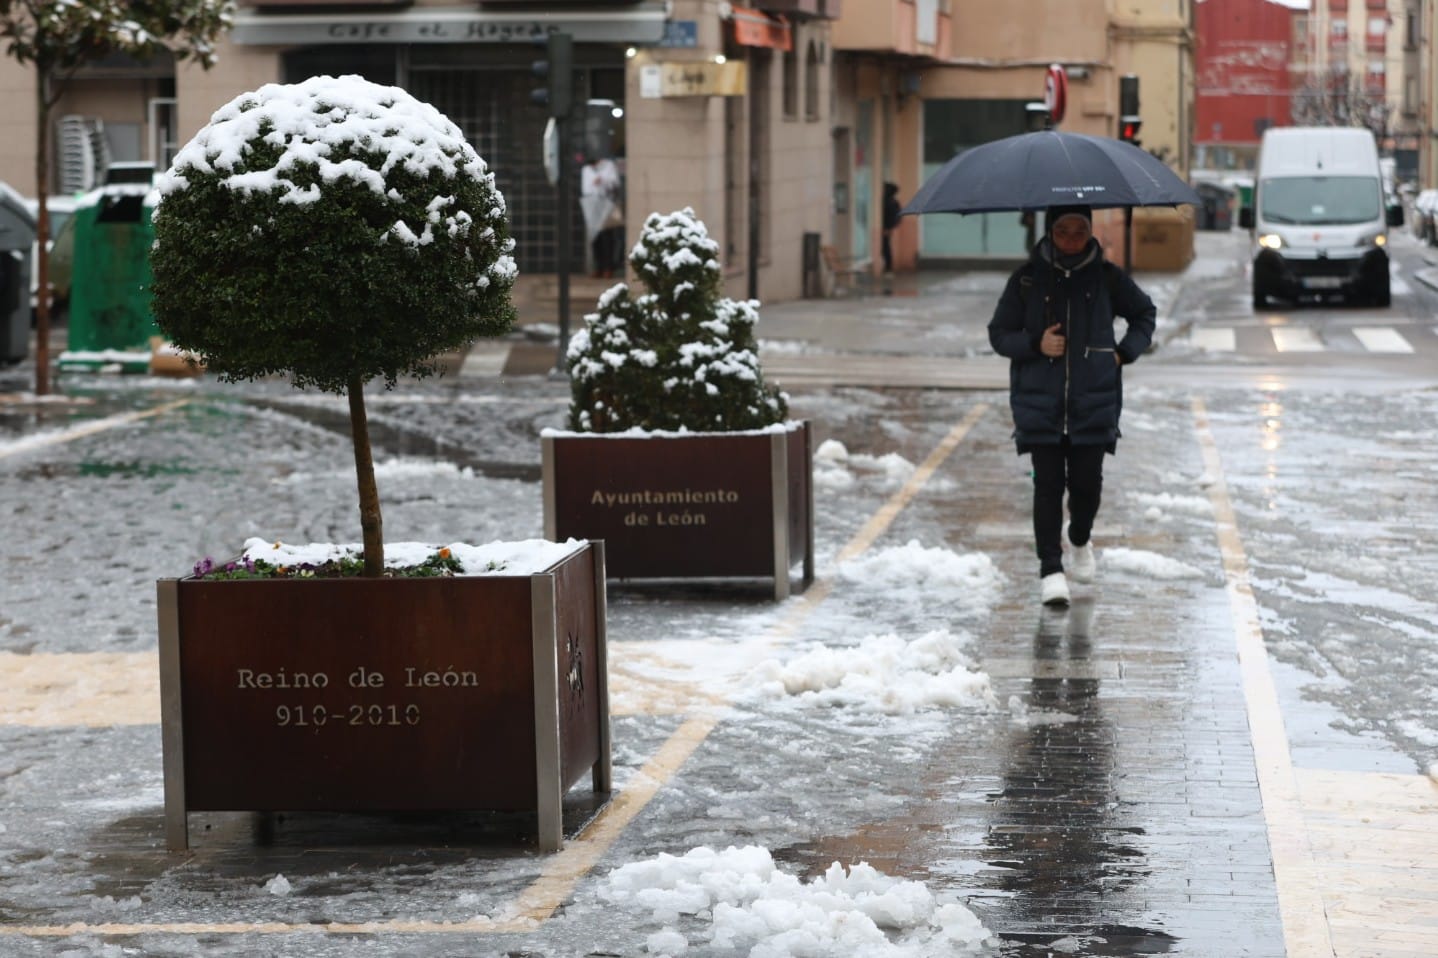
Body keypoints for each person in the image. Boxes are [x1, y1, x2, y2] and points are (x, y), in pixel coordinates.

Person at [987, 205, 1156, 607]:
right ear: (1050, 232)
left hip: (1093, 401)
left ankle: (1080, 537)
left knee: (1086, 487)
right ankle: (1050, 570)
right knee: (1047, 487)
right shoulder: (1027, 279)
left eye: (1078, 230)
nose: (1070, 239)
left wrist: (1122, 354)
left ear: (1089, 231)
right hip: (1039, 403)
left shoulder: (1107, 278)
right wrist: (1035, 344)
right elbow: (999, 334)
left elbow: (1144, 314)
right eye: (1063, 230)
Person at [580, 153, 624, 278]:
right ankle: (598, 267)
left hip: (607, 205)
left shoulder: (608, 166)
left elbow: (615, 184)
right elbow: (585, 189)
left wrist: (603, 181)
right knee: (595, 238)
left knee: (608, 238)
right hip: (593, 206)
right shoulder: (586, 170)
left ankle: (608, 267)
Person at [881, 182, 902, 276]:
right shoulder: (893, 201)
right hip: (887, 228)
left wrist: (888, 228)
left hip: (886, 228)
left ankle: (888, 268)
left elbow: (894, 216)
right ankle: (888, 267)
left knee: (886, 248)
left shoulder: (889, 201)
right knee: (885, 247)